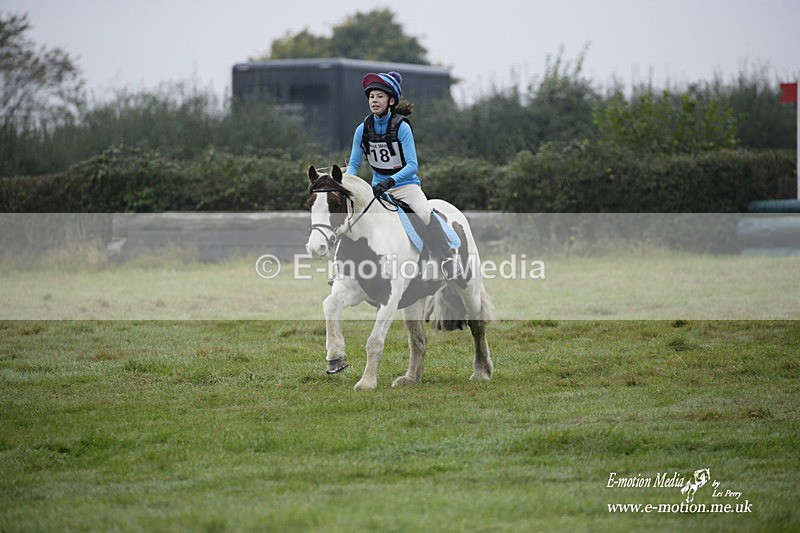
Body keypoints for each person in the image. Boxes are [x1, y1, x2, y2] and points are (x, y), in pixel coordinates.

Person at [345, 71, 463, 280]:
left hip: (405, 186)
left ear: (391, 101)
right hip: (377, 187)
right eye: (371, 97)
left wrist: (390, 181)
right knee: (353, 218)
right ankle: (343, 268)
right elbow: (353, 164)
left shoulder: (402, 127)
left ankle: (447, 258)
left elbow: (412, 165)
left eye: (379, 96)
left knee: (424, 213)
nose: (374, 100)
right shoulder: (362, 130)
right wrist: (350, 185)